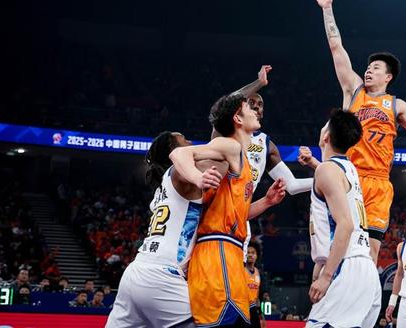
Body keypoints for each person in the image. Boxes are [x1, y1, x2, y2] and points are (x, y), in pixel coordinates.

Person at [303, 0, 406, 264]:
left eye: (375, 68)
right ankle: (328, 286)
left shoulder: (397, 105)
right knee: (335, 246)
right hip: (348, 174)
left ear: (388, 77)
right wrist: (327, 9)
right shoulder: (354, 90)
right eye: (367, 67)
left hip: (378, 181)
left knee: (370, 252)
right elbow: (336, 47)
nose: (368, 70)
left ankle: (365, 292)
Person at [107, 126, 285, 328]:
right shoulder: (181, 174)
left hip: (136, 274)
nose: (190, 143)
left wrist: (266, 202)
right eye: (184, 139)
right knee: (214, 324)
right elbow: (222, 157)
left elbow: (230, 214)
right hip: (162, 276)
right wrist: (231, 137)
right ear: (173, 151)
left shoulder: (167, 188)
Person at [171, 93, 286, 328]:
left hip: (231, 252)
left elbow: (237, 213)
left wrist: (266, 202)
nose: (255, 111)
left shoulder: (242, 157)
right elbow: (179, 153)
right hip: (216, 251)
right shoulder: (230, 145)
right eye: (249, 107)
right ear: (238, 119)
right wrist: (198, 177)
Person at [213, 65, 313, 260]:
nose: (257, 107)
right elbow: (227, 103)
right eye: (251, 103)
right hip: (215, 211)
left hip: (241, 216)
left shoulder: (266, 144)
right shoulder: (225, 131)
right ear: (239, 110)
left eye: (260, 105)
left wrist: (326, 179)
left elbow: (291, 186)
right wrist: (259, 83)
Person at [306, 110, 381, 328]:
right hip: (363, 268)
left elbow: (345, 225)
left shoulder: (327, 170)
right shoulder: (348, 168)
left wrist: (326, 276)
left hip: (345, 265)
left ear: (326, 136)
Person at [246, 241, 266, 328]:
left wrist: (260, 313)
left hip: (254, 309)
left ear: (257, 256)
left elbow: (257, 296)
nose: (250, 255)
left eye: (253, 253)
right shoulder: (240, 270)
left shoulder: (258, 273)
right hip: (242, 309)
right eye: (248, 252)